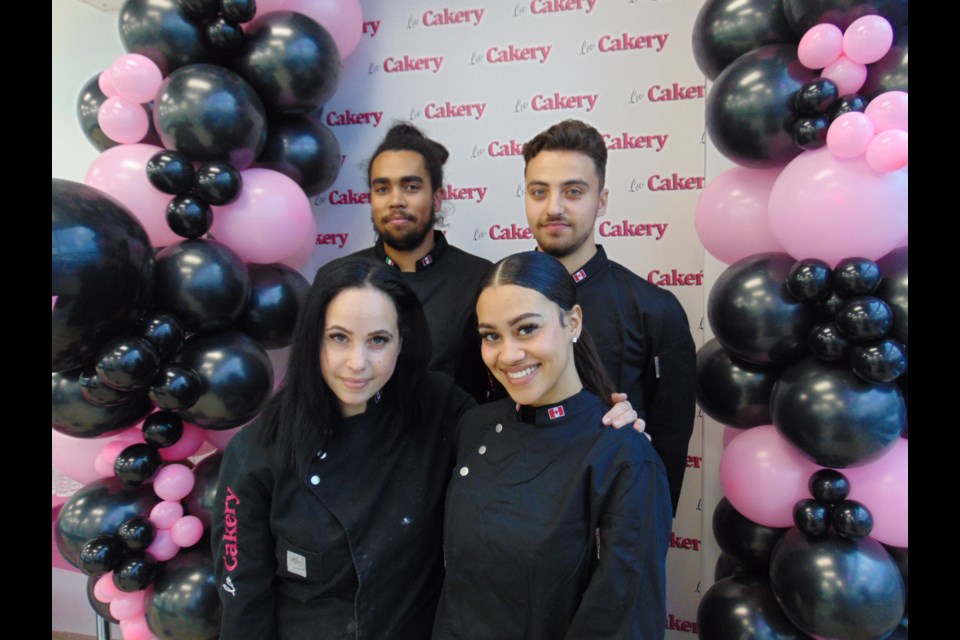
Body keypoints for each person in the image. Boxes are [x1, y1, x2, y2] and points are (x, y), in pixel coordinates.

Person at [212, 257, 641, 640]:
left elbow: (524, 428)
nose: (357, 363)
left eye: (378, 340)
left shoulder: (437, 406)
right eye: (338, 338)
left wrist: (600, 419)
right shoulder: (258, 451)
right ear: (311, 340)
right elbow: (243, 604)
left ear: (403, 341)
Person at [433, 251, 672, 640]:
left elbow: (621, 622)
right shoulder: (474, 427)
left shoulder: (625, 459)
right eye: (491, 335)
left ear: (572, 321)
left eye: (526, 328)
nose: (508, 354)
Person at [522, 119, 697, 514]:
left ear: (601, 201)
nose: (553, 207)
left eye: (573, 192)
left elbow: (666, 457)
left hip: (611, 528)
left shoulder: (654, 310)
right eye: (539, 191)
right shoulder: (495, 300)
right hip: (511, 521)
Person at [334, 123, 495, 402]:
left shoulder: (482, 280)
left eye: (410, 186)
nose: (396, 201)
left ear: (436, 199)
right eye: (382, 188)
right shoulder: (337, 280)